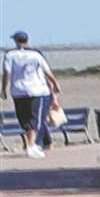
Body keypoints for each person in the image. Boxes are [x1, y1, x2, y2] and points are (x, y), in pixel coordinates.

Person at [4, 30, 59, 158]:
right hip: (36, 90)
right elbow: (47, 71)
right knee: (34, 118)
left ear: (16, 41)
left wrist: (3, 89)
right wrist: (55, 84)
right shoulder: (35, 55)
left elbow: (6, 73)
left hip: (18, 91)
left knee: (24, 118)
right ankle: (32, 145)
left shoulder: (10, 55)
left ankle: (32, 144)